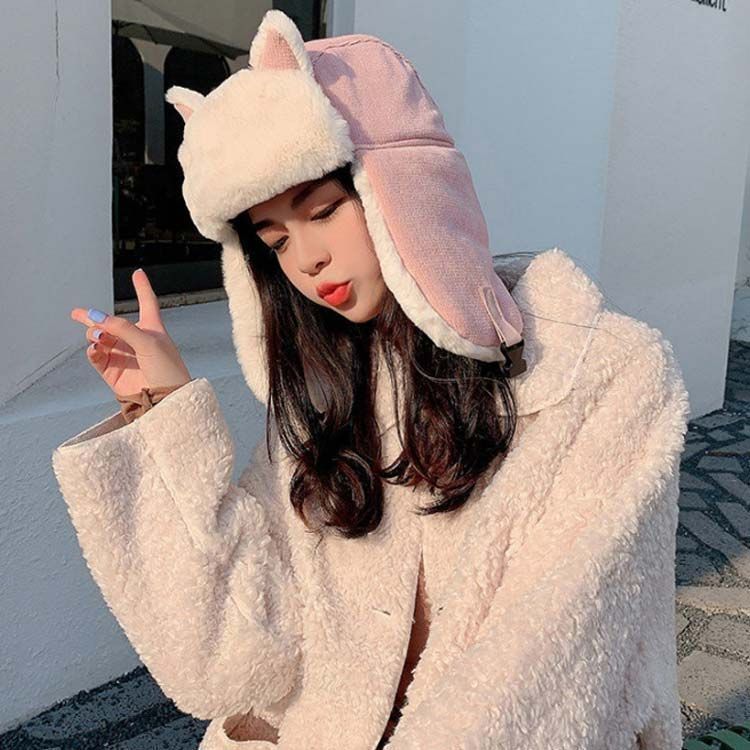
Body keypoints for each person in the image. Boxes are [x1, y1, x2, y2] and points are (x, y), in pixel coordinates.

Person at [52, 9, 690, 750]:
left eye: (324, 210)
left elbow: (550, 673)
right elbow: (233, 658)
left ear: (405, 188)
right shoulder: (330, 401)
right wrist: (160, 407)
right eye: (276, 241)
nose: (307, 260)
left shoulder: (605, 377)